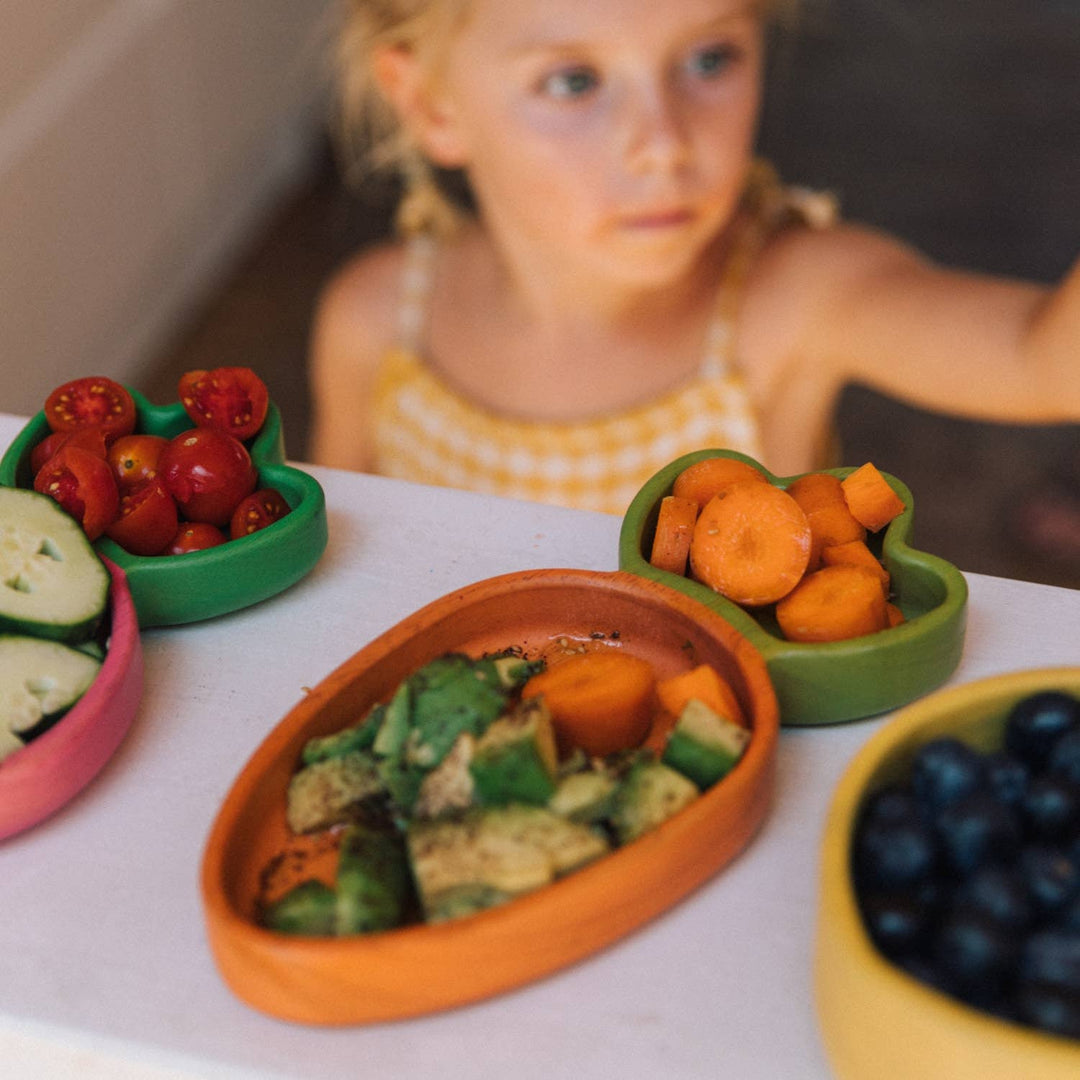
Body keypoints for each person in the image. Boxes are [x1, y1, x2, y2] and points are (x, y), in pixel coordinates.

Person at [308, 0, 1079, 515]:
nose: (665, 145)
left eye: (711, 59)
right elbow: (335, 563)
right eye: (573, 81)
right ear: (432, 106)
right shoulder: (376, 324)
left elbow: (1045, 364)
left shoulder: (795, 304)